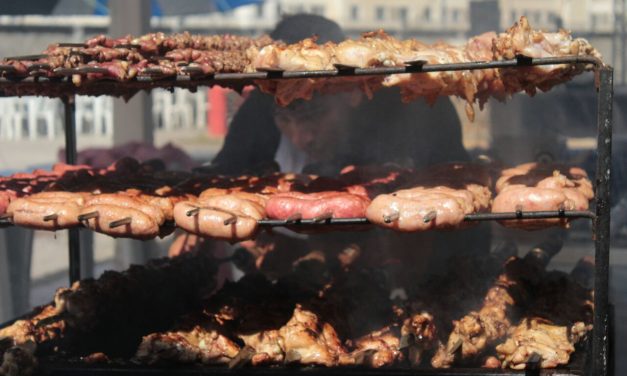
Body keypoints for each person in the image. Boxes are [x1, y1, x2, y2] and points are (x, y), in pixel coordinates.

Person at [186, 14, 490, 290]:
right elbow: (222, 178)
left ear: (350, 90)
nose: (301, 136)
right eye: (286, 120)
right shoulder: (260, 109)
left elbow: (467, 207)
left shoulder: (416, 105)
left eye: (313, 115)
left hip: (407, 279)